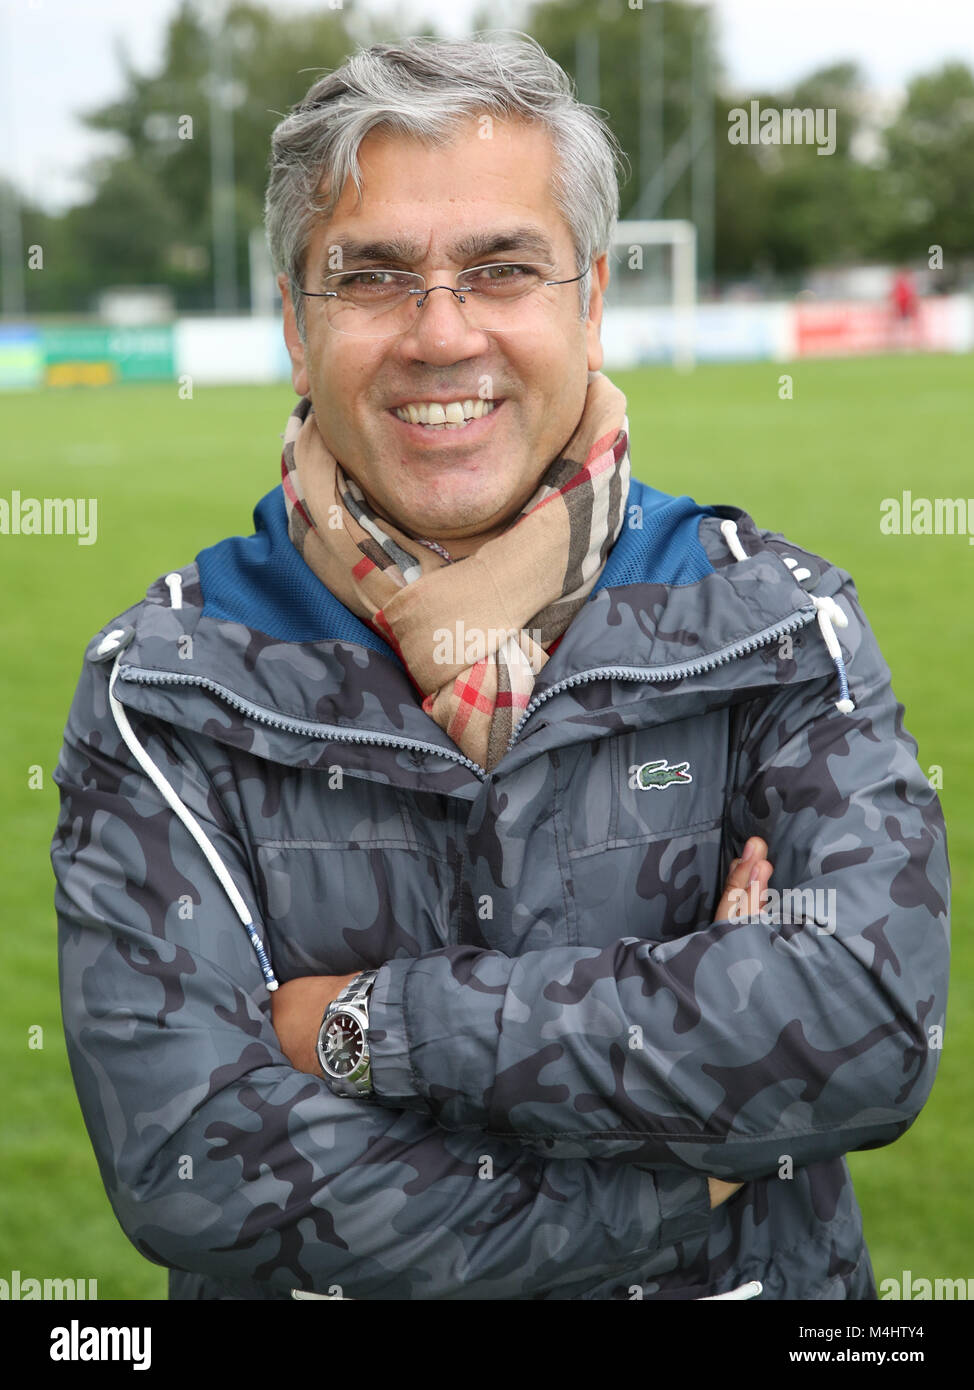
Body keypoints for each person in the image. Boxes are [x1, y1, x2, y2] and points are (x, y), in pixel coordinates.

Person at [51, 32, 949, 1302]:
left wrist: (363, 1027)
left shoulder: (767, 619)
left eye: (500, 268)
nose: (440, 332)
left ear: (586, 304)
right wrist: (677, 1177)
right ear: (296, 328)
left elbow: (865, 1023)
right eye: (370, 278)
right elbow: (196, 1163)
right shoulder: (168, 682)